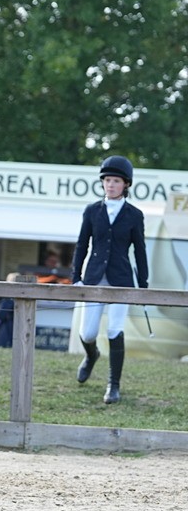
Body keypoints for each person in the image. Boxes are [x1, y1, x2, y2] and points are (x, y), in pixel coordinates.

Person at [71, 155, 147, 404]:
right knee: (88, 332)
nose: (110, 185)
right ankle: (91, 356)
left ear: (126, 184)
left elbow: (140, 249)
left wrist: (143, 284)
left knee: (115, 329)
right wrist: (76, 277)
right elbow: (82, 244)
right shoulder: (92, 211)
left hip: (121, 280)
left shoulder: (135, 215)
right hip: (94, 278)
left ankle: (113, 385)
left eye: (116, 181)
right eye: (107, 180)